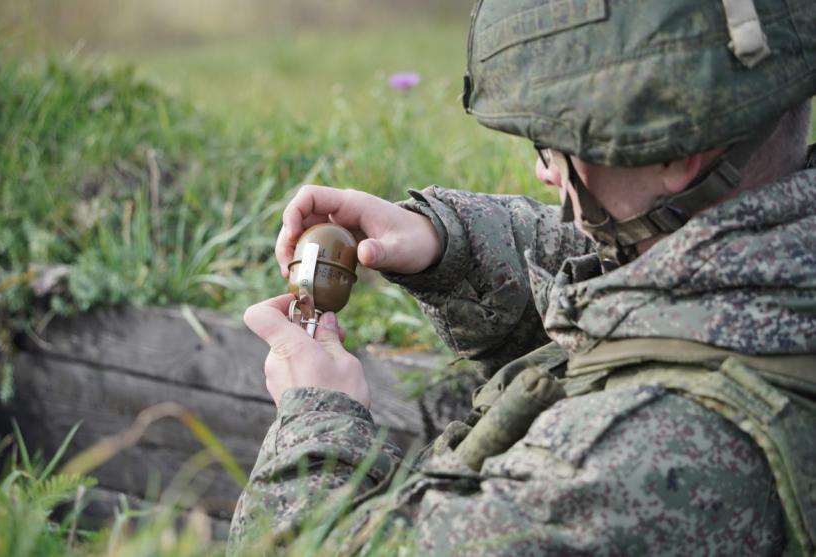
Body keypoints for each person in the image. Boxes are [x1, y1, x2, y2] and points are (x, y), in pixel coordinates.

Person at [229, 0, 816, 554]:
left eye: (555, 142)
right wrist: (445, 243)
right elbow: (667, 291)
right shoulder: (783, 267)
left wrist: (317, 417)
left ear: (674, 152)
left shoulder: (627, 466)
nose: (542, 172)